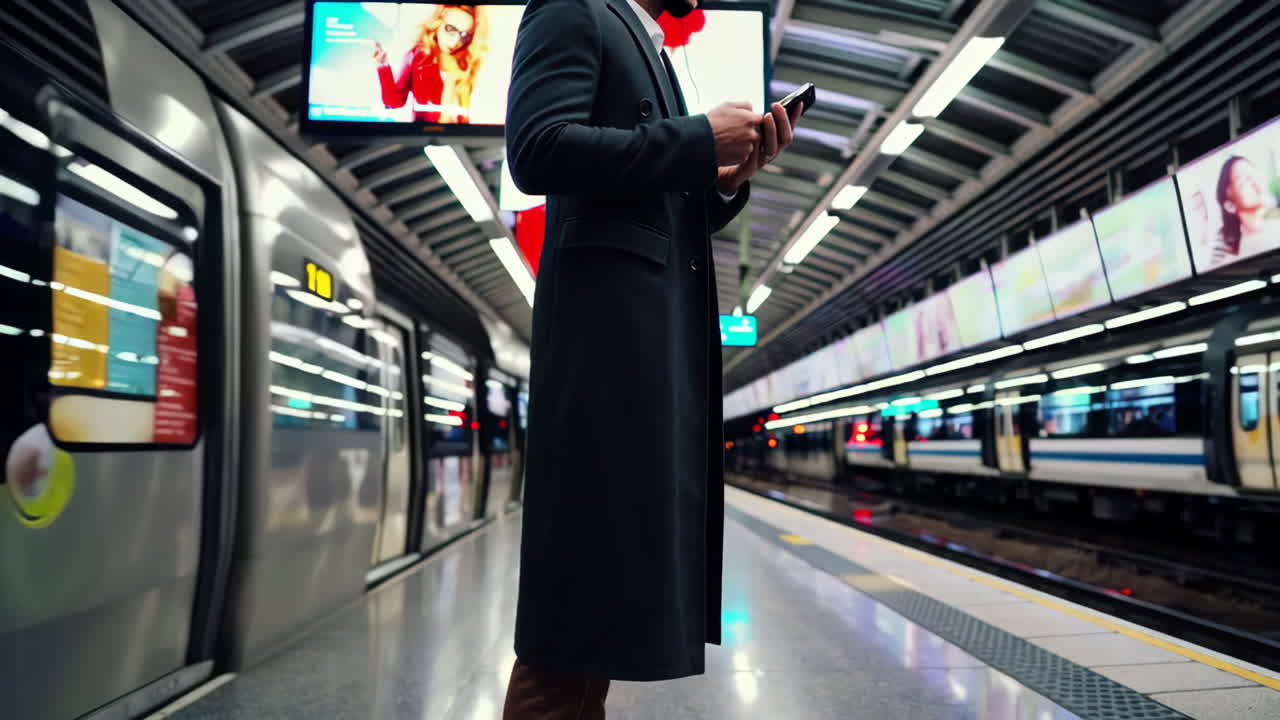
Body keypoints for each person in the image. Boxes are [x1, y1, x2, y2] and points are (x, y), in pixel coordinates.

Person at [501, 0, 802, 717]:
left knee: (590, 641)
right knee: (566, 640)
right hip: (607, 363)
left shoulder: (647, 40)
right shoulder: (573, 8)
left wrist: (726, 174)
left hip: (642, 355)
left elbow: (654, 197)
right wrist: (698, 140)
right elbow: (536, 148)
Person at [372, 5, 488, 124]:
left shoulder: (468, 64)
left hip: (457, 138)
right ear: (437, 23)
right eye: (450, 29)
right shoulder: (418, 57)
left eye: (465, 35)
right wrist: (383, 66)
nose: (456, 41)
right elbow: (394, 101)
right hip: (421, 137)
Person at [1211, 155, 1280, 266]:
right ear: (1230, 205)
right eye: (1243, 180)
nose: (1253, 181)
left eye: (1253, 173)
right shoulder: (1228, 247)